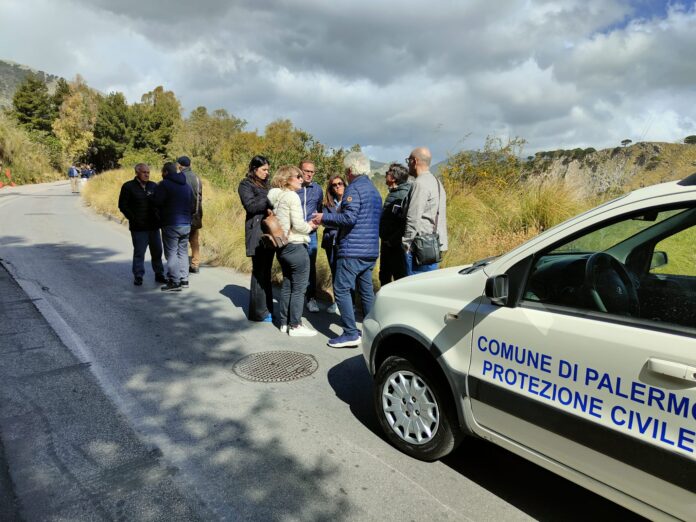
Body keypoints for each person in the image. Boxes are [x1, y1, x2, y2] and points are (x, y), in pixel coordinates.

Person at [312, 151, 382, 348]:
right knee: (366, 291)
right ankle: (370, 330)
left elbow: (349, 219)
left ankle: (351, 333)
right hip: (370, 251)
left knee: (341, 288)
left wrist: (323, 218)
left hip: (352, 249)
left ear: (350, 170)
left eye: (346, 171)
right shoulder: (375, 191)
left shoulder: (354, 190)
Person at [268, 166, 319, 336]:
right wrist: (310, 226)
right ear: (288, 179)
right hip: (296, 246)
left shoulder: (277, 196)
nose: (301, 178)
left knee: (288, 286)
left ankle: (284, 322)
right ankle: (295, 325)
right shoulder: (292, 196)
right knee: (299, 288)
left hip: (282, 247)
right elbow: (298, 224)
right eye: (298, 176)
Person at [238, 155, 274, 321]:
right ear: (254, 169)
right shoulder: (245, 184)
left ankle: (267, 308)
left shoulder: (267, 184)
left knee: (267, 271)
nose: (267, 172)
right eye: (264, 169)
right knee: (259, 271)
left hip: (269, 231)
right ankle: (258, 312)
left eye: (268, 169)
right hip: (256, 232)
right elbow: (251, 206)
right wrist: (269, 199)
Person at [118, 163, 166, 286]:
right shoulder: (128, 187)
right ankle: (138, 276)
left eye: (148, 172)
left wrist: (159, 217)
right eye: (144, 172)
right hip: (139, 228)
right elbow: (123, 205)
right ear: (137, 173)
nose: (146, 174)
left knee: (157, 252)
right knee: (139, 253)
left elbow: (160, 203)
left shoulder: (153, 186)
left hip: (154, 226)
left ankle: (159, 274)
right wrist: (133, 218)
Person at [403, 147, 448, 274]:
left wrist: (406, 244)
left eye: (408, 160)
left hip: (420, 247)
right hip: (434, 245)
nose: (408, 164)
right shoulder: (437, 182)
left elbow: (413, 217)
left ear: (415, 161)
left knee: (412, 288)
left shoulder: (420, 184)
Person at [153, 161, 194, 292]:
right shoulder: (186, 185)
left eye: (162, 172)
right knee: (182, 252)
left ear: (165, 172)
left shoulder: (164, 184)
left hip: (171, 223)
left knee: (171, 253)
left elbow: (157, 202)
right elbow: (193, 205)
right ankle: (184, 279)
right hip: (186, 223)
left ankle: (174, 281)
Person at [296, 160, 323, 313]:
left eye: (312, 171)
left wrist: (316, 223)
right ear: (300, 171)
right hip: (295, 233)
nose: (309, 174)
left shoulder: (318, 189)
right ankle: (296, 297)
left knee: (310, 266)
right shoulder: (294, 187)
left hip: (311, 234)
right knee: (295, 264)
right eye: (306, 171)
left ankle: (311, 298)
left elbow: (319, 208)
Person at [379, 163, 411, 285]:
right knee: (384, 275)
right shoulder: (394, 192)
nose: (385, 174)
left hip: (396, 245)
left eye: (388, 172)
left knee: (399, 278)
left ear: (393, 177)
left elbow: (405, 222)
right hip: (387, 243)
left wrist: (392, 240)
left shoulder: (403, 195)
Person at [321, 174, 347, 314]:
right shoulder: (327, 203)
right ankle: (337, 302)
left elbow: (350, 220)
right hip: (330, 242)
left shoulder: (350, 201)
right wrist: (340, 220)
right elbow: (324, 221)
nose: (337, 186)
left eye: (340, 183)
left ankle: (348, 304)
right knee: (335, 271)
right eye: (334, 185)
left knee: (346, 273)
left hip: (345, 242)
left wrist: (333, 220)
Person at [177, 156, 203, 274]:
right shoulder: (197, 178)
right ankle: (195, 264)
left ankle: (180, 265)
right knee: (194, 240)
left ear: (180, 165)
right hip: (196, 213)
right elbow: (199, 196)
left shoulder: (179, 177)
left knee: (181, 241)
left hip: (182, 214)